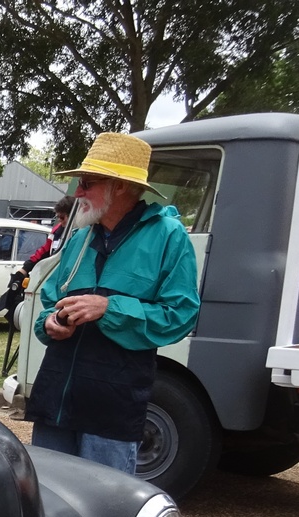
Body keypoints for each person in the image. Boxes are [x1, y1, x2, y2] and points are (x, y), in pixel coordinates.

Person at [27, 133, 200, 474]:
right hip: (56, 399)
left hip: (112, 407)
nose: (78, 193)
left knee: (104, 501)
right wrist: (49, 323)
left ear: (119, 186)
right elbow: (50, 302)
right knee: (49, 495)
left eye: (86, 183)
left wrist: (109, 308)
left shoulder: (168, 235)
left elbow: (181, 315)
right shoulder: (80, 236)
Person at [22, 195, 75, 273]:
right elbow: (44, 251)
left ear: (72, 216)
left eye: (62, 217)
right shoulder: (56, 232)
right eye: (57, 216)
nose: (59, 220)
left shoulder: (79, 233)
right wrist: (25, 269)